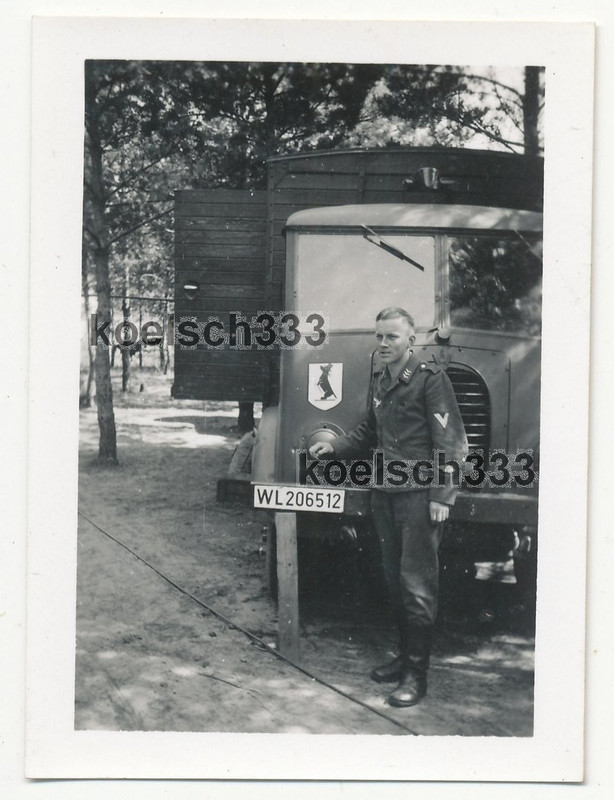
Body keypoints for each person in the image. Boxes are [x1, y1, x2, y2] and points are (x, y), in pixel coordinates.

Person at [309, 307, 468, 707]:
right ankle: (403, 659)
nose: (383, 344)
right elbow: (369, 429)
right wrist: (336, 446)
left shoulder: (431, 380)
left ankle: (417, 676)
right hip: (384, 492)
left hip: (418, 497)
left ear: (410, 340)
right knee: (394, 580)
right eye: (379, 336)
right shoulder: (379, 376)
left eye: (391, 337)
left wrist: (441, 497)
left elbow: (452, 444)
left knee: (417, 585)